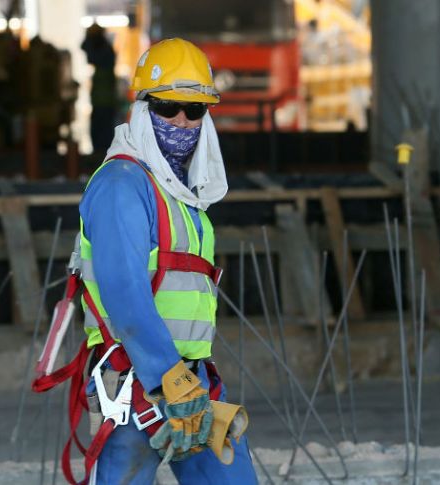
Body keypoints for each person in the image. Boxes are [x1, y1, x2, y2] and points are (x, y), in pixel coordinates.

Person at [77, 38, 258, 484]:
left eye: (194, 111)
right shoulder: (123, 184)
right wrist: (166, 376)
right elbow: (124, 292)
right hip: (141, 379)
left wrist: (184, 379)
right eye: (167, 107)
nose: (181, 121)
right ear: (142, 107)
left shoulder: (179, 191)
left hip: (190, 380)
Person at [81, 23, 118, 154]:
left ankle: (101, 155)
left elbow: (88, 51)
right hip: (103, 100)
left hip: (104, 101)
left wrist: (90, 36)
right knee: (101, 132)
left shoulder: (103, 52)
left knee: (101, 134)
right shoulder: (105, 50)